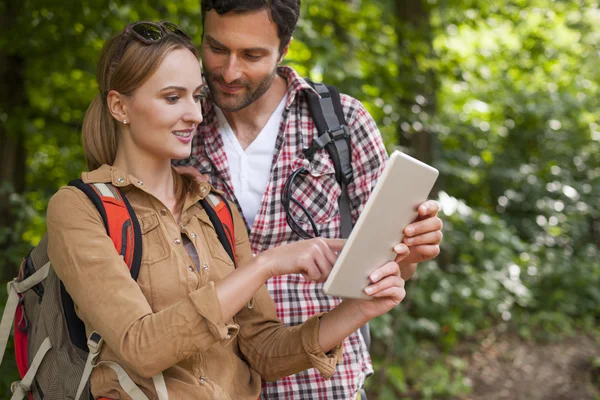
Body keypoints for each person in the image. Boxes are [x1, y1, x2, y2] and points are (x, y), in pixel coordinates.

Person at [46, 21, 410, 399]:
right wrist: (266, 264)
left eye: (196, 96)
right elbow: (141, 347)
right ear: (120, 105)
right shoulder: (79, 208)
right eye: (173, 98)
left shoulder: (216, 208)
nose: (195, 115)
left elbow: (263, 352)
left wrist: (360, 309)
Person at [174, 1, 444, 399]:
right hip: (210, 383)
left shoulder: (342, 122)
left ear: (284, 48)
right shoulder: (177, 124)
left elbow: (392, 272)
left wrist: (410, 255)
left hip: (324, 383)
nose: (230, 72)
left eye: (252, 55)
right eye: (216, 49)